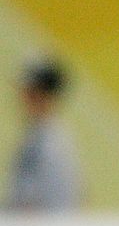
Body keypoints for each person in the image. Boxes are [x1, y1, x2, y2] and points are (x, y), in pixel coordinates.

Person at [4, 59, 82, 212]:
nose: (22, 97)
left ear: (44, 96)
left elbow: (28, 207)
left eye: (30, 92)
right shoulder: (40, 135)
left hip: (42, 223)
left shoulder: (49, 143)